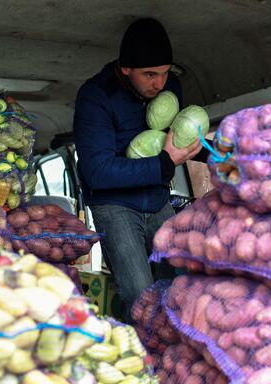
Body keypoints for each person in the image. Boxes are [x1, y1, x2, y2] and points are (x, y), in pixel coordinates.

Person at [73, 18, 204, 321]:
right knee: (139, 295)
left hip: (157, 199)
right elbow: (98, 172)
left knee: (182, 284)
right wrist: (163, 164)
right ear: (125, 69)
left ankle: (181, 355)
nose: (159, 83)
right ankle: (143, 355)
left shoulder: (169, 88)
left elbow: (173, 140)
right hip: (114, 205)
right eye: (149, 75)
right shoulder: (96, 96)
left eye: (164, 72)